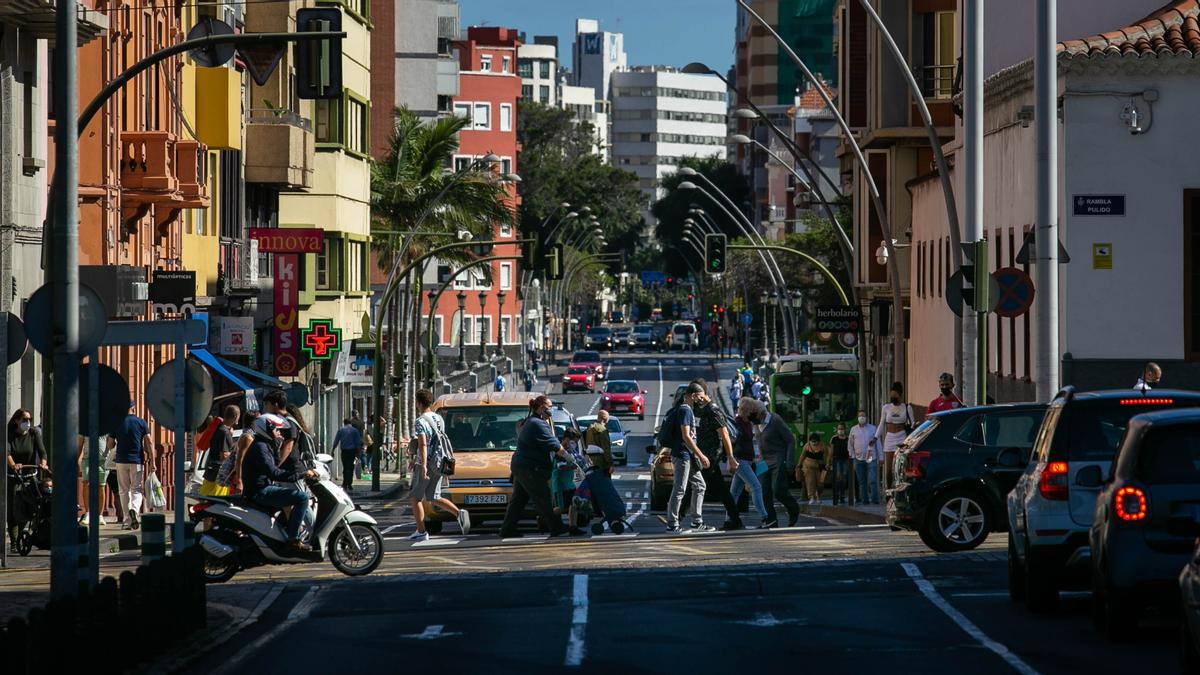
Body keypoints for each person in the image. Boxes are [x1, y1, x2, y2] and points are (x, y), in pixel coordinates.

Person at [498, 395, 575, 538]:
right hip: (530, 468)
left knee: (518, 500)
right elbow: (554, 444)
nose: (551, 410)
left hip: (521, 467)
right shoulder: (538, 424)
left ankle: (507, 529)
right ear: (540, 408)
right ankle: (556, 527)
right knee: (543, 497)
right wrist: (569, 457)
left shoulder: (532, 421)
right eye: (549, 407)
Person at [242, 415, 316, 553]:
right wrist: (301, 474)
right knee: (302, 498)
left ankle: (287, 531)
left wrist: (277, 445)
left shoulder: (265, 445)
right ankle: (293, 540)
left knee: (288, 499)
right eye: (276, 430)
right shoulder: (260, 448)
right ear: (266, 430)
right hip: (260, 491)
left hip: (263, 487)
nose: (279, 433)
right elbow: (274, 473)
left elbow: (274, 466)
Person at [409, 389, 470, 541]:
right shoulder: (438, 418)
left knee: (415, 498)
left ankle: (421, 531)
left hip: (427, 463)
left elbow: (423, 444)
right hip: (439, 462)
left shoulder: (420, 421)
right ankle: (458, 513)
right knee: (433, 496)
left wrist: (422, 465)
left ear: (418, 403)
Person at [689, 380, 741, 531]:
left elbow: (725, 435)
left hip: (711, 456)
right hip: (701, 454)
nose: (694, 398)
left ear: (703, 393)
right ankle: (735, 518)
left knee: (699, 485)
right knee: (698, 486)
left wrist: (730, 457)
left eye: (696, 394)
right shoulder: (698, 409)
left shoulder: (713, 410)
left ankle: (679, 519)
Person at [664, 383, 712, 533]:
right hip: (683, 455)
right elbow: (686, 436)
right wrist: (700, 454)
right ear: (693, 396)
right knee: (679, 489)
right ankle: (672, 524)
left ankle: (696, 522)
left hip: (688, 456)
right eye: (701, 396)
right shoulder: (685, 410)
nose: (702, 399)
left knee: (700, 485)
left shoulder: (688, 409)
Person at [756, 400, 799, 528]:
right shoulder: (756, 423)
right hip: (762, 461)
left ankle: (793, 508)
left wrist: (790, 462)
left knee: (778, 490)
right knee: (763, 492)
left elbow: (790, 440)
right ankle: (771, 520)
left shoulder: (775, 420)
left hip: (777, 459)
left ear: (762, 413)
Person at [728, 397, 769, 526]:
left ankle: (729, 519)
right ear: (747, 410)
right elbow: (732, 441)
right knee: (756, 486)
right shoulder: (738, 422)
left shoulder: (748, 422)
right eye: (752, 410)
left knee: (734, 492)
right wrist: (731, 459)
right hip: (740, 460)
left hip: (747, 460)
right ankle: (764, 517)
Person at [7, 409, 47, 544]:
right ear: (17, 421)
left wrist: (43, 463)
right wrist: (14, 465)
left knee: (32, 503)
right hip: (13, 475)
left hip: (30, 474)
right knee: (13, 506)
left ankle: (24, 534)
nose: (27, 422)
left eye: (29, 420)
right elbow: (7, 453)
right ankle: (13, 539)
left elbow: (42, 452)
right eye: (24, 420)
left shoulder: (33, 433)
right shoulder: (9, 435)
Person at [114, 403, 154, 531]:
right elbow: (149, 442)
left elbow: (109, 444)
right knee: (136, 489)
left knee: (124, 490)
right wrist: (152, 462)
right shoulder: (141, 422)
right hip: (137, 461)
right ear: (134, 409)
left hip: (121, 461)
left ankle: (126, 521)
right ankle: (134, 510)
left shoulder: (116, 423)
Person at [876, 382, 913, 491]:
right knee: (888, 470)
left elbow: (913, 423)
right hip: (889, 438)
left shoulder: (907, 407)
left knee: (901, 467)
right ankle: (888, 490)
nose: (893, 397)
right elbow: (881, 423)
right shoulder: (886, 407)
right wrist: (875, 437)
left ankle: (901, 489)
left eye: (895, 395)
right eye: (891, 395)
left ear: (900, 394)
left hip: (902, 437)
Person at [200, 405, 239, 497]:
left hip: (211, 471)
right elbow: (224, 455)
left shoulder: (219, 428)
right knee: (217, 501)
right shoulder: (224, 432)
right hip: (220, 473)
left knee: (205, 497)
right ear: (236, 416)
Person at [850, 410, 880, 504]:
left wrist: (881, 456)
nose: (861, 418)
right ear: (858, 418)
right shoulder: (853, 429)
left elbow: (877, 443)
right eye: (860, 416)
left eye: (863, 416)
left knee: (873, 480)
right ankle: (865, 500)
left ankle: (875, 500)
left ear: (866, 417)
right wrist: (852, 455)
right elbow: (850, 444)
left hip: (871, 457)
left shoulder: (873, 428)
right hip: (858, 459)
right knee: (862, 482)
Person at [330, 418, 364, 490]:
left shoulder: (341, 430)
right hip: (352, 451)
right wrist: (358, 452)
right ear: (350, 423)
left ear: (344, 423)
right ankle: (349, 483)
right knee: (351, 467)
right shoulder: (355, 431)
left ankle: (345, 483)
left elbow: (336, 441)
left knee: (345, 467)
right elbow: (358, 442)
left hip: (344, 451)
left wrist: (333, 450)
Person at [800, 432, 829, 505]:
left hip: (821, 468)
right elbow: (802, 456)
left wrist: (827, 464)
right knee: (810, 483)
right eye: (812, 441)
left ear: (818, 441)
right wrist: (799, 465)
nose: (814, 443)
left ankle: (818, 495)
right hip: (808, 468)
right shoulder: (807, 446)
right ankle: (811, 497)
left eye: (815, 441)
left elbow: (827, 456)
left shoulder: (823, 446)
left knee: (821, 484)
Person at [584, 410, 613, 474]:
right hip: (601, 462)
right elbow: (606, 448)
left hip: (590, 461)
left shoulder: (590, 428)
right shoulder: (603, 430)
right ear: (606, 419)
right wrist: (610, 463)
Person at [829, 422, 851, 506]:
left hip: (845, 460)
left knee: (844, 478)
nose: (840, 430)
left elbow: (850, 450)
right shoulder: (834, 439)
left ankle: (842, 496)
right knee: (838, 478)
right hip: (836, 460)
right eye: (839, 428)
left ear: (845, 429)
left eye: (842, 428)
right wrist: (829, 461)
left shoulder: (847, 439)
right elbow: (831, 451)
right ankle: (836, 495)